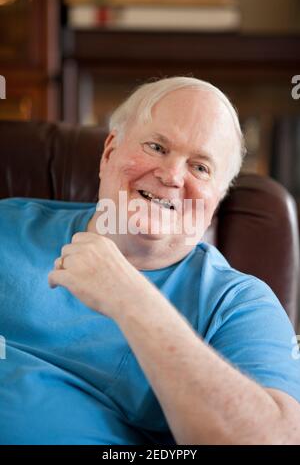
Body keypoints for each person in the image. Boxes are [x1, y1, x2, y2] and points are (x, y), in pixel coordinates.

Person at [0, 77, 299, 445]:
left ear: (217, 198)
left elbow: (276, 440)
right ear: (109, 152)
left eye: (200, 167)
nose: (172, 175)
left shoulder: (240, 303)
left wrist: (131, 299)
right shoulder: (9, 223)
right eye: (157, 146)